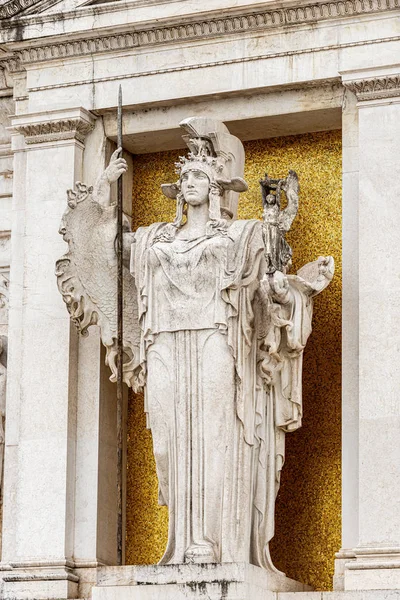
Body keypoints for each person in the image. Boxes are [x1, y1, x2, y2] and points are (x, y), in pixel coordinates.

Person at [56, 117, 334, 572]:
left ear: (218, 187)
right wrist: (105, 189)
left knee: (216, 436)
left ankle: (213, 542)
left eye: (198, 177)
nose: (188, 184)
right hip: (164, 340)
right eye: (183, 178)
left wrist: (293, 281)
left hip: (217, 339)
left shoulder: (238, 235)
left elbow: (267, 275)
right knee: (167, 441)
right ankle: (181, 540)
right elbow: (99, 248)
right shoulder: (153, 239)